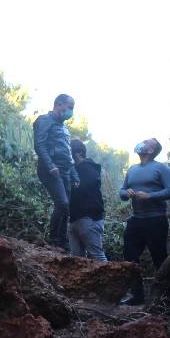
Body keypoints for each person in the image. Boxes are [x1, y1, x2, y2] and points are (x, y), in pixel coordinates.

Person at [119, 138, 170, 305]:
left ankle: (165, 298)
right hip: (136, 220)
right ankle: (137, 296)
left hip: (156, 219)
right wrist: (126, 193)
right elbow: (122, 192)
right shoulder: (132, 169)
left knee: (159, 258)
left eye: (146, 142)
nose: (141, 143)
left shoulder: (161, 168)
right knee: (129, 256)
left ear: (151, 150)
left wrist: (150, 195)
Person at [33, 94, 79, 249]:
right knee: (62, 203)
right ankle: (53, 238)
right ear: (59, 104)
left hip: (65, 171)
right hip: (51, 169)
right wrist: (50, 165)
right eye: (70, 107)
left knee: (66, 208)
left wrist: (74, 174)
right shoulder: (44, 120)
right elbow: (39, 145)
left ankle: (62, 241)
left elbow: (67, 153)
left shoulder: (64, 128)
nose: (71, 111)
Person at [68, 139, 107, 261]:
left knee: (97, 257)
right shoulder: (74, 170)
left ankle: (109, 279)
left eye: (70, 152)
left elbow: (85, 188)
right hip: (75, 219)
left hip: (89, 219)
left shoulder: (88, 168)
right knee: (77, 260)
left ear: (78, 153)